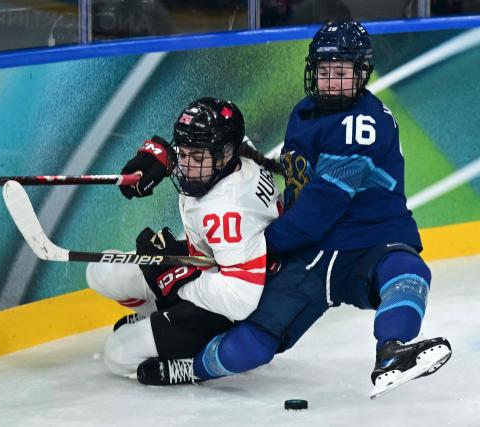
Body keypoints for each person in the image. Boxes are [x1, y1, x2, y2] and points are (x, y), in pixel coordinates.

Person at [131, 22, 452, 399]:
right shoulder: (304, 113)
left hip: (368, 239)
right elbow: (288, 177)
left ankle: (391, 351)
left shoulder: (364, 124)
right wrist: (173, 157)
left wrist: (258, 247)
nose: (331, 82)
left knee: (407, 270)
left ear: (362, 73)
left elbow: (320, 208)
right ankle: (192, 366)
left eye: (342, 73)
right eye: (324, 71)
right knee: (255, 345)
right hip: (311, 251)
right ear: (312, 70)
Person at [85, 97, 283, 378]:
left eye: (196, 158)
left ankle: (193, 363)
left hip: (226, 309)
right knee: (100, 272)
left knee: (117, 354)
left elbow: (240, 299)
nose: (186, 165)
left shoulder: (227, 211)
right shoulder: (236, 153)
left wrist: (178, 285)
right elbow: (201, 139)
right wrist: (157, 155)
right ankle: (157, 316)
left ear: (225, 154)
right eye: (183, 153)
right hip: (208, 267)